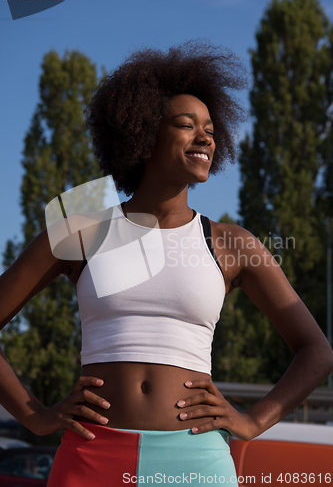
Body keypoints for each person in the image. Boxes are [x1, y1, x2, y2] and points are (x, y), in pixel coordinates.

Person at [0, 42, 332, 487]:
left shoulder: (233, 243)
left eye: (211, 129)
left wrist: (253, 422)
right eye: (186, 124)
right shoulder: (78, 230)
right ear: (143, 134)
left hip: (196, 460)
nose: (206, 137)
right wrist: (34, 415)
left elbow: (317, 351)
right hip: (91, 455)